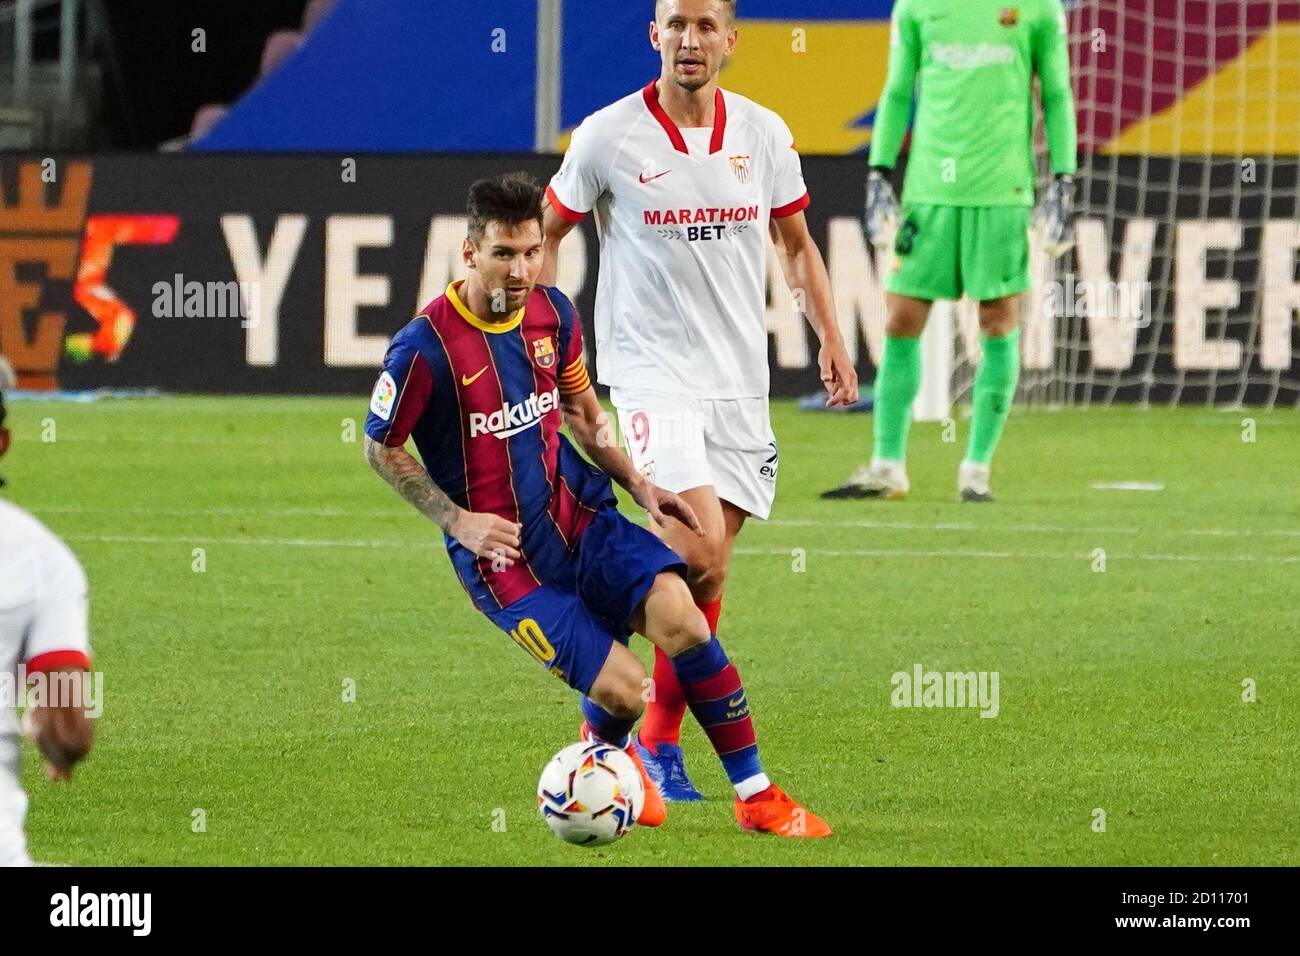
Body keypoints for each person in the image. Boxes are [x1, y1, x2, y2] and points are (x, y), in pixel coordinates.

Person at [363, 173, 830, 836]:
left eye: (530, 252)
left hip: (580, 519)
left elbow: (584, 414)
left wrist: (640, 483)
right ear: (469, 254)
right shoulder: (425, 349)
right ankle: (611, 758)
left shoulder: (553, 314)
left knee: (686, 619)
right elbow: (380, 448)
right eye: (504, 254)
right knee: (623, 688)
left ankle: (755, 795)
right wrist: (456, 520)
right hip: (506, 562)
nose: (521, 270)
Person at [541, 0, 857, 798]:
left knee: (707, 581)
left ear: (730, 41)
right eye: (675, 24)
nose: (690, 39)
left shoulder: (764, 133)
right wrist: (539, 334)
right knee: (696, 550)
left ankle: (654, 739)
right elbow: (547, 229)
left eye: (705, 25)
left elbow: (795, 244)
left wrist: (830, 335)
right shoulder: (608, 134)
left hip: (739, 384)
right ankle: (607, 732)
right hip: (653, 378)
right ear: (655, 36)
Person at [823, 0, 1077, 503]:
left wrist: (1065, 179)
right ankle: (888, 465)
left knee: (999, 322)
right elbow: (897, 92)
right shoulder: (916, 7)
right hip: (928, 193)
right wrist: (878, 172)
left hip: (1001, 192)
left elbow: (1057, 94)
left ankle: (976, 469)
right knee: (900, 319)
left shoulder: (1039, 9)